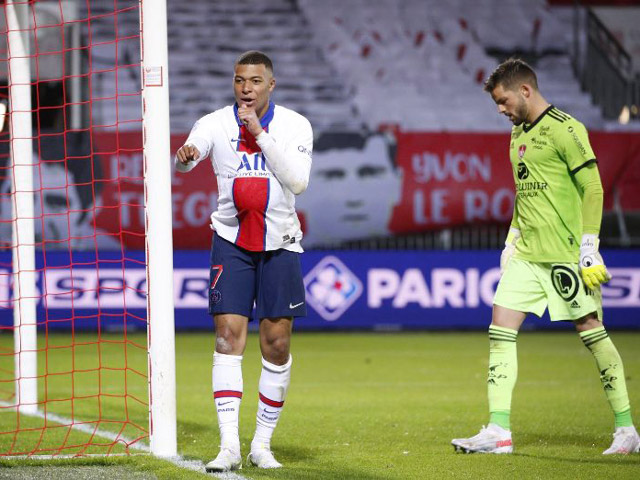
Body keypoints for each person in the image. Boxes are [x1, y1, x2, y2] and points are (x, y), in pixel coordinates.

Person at [451, 58, 639, 455]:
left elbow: (593, 188)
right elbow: (524, 194)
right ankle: (498, 430)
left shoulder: (567, 130)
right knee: (500, 327)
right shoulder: (517, 135)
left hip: (565, 256)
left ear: (525, 90)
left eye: (503, 101)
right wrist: (511, 239)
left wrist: (590, 246)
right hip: (527, 255)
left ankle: (626, 428)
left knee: (591, 332)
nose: (500, 110)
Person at [175, 50, 313, 471]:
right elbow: (187, 159)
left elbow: (298, 182)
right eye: (239, 81)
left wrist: (259, 132)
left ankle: (262, 445)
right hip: (231, 241)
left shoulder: (295, 125)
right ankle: (229, 446)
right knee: (226, 338)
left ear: (271, 84)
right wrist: (187, 155)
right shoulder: (214, 122)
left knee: (277, 344)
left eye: (254, 81)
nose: (246, 88)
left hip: (280, 243)